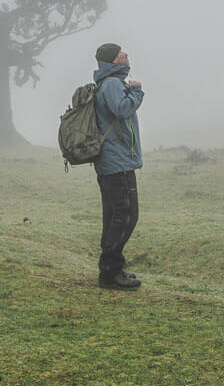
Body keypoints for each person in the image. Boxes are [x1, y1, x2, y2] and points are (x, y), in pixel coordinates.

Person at [92, 42, 144, 290]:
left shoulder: (107, 82)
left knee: (114, 216)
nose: (126, 54)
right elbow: (122, 110)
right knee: (126, 216)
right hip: (117, 163)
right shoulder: (112, 84)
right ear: (114, 60)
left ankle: (111, 269)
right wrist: (136, 92)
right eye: (122, 53)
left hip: (113, 161)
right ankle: (110, 271)